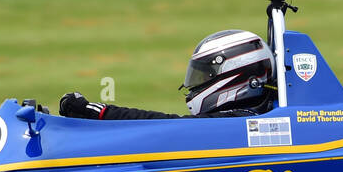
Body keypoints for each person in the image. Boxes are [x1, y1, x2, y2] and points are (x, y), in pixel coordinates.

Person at [59, 30, 276, 120]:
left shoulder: (238, 121)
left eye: (206, 75)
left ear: (237, 75)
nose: (196, 86)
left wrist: (102, 113)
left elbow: (166, 126)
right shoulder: (254, 112)